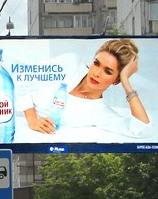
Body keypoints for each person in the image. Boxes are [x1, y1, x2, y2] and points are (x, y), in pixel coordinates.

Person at [19, 38, 150, 140]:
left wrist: (126, 81)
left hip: (21, 133)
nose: (97, 73)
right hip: (6, 113)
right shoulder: (70, 62)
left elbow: (141, 129)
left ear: (116, 80)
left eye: (108, 72)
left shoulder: (100, 113)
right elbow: (23, 78)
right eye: (96, 63)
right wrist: (32, 120)